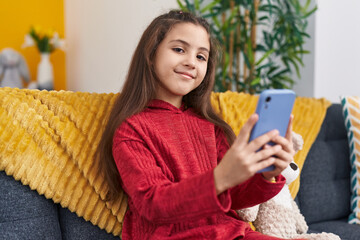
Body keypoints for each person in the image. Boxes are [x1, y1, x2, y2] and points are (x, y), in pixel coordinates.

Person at [96, 10, 305, 240]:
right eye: (179, 49)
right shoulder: (132, 129)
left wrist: (268, 174)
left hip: (231, 233)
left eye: (201, 57)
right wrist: (219, 178)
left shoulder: (210, 125)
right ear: (151, 54)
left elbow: (235, 196)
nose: (190, 62)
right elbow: (153, 204)